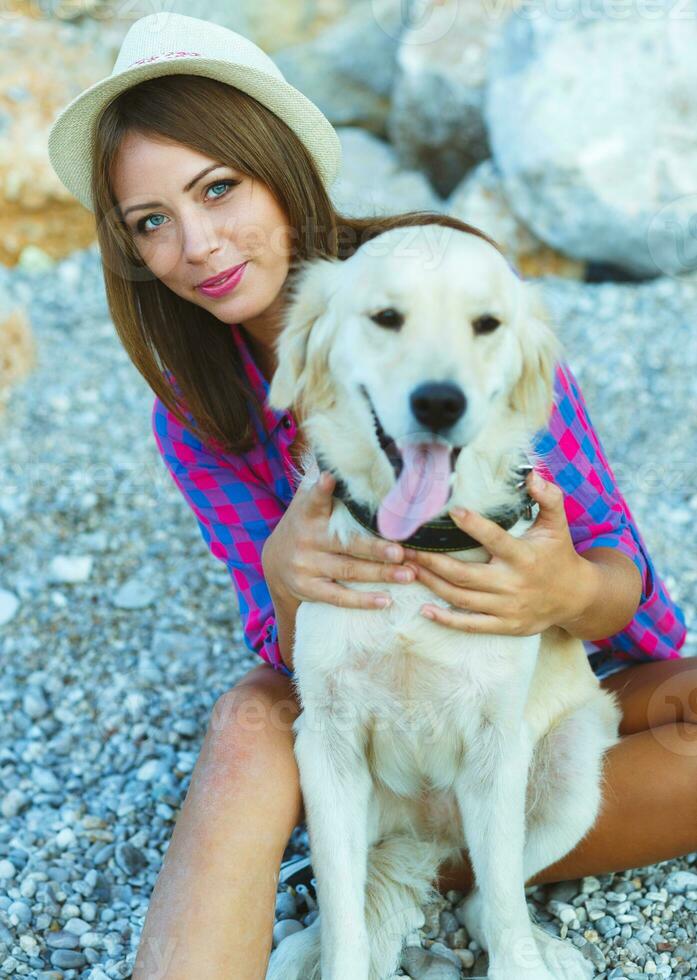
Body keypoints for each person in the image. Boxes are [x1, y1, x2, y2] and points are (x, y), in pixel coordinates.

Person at [47, 12, 694, 980]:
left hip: (536, 684)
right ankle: (347, 880)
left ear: (280, 169)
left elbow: (626, 585)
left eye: (218, 188)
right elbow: (280, 652)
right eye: (151, 221)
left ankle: (407, 870)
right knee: (247, 724)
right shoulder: (197, 409)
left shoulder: (462, 300)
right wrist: (281, 572)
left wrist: (559, 590)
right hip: (356, 708)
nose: (197, 242)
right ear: (131, 248)